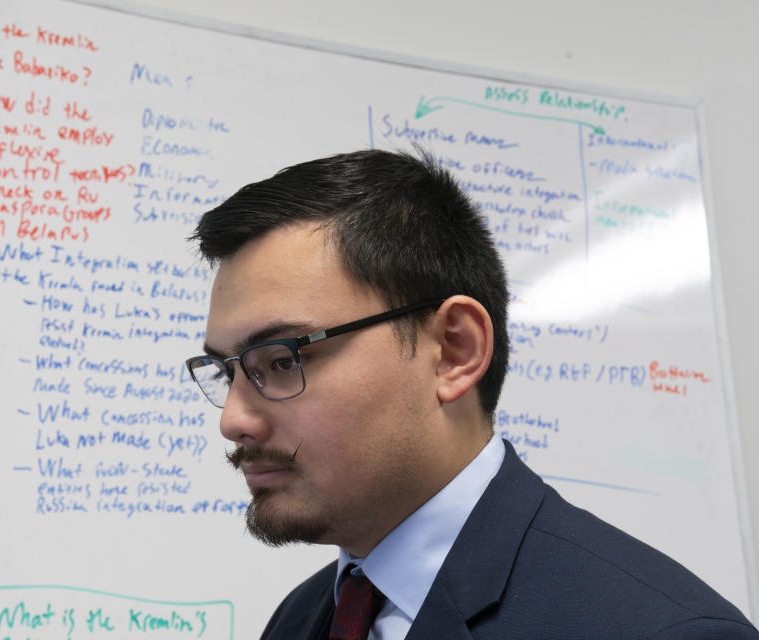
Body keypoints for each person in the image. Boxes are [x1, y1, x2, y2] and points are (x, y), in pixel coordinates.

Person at [184, 149, 758, 639]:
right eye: (223, 371)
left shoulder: (659, 630)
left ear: (455, 351)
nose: (234, 420)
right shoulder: (304, 619)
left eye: (282, 360)